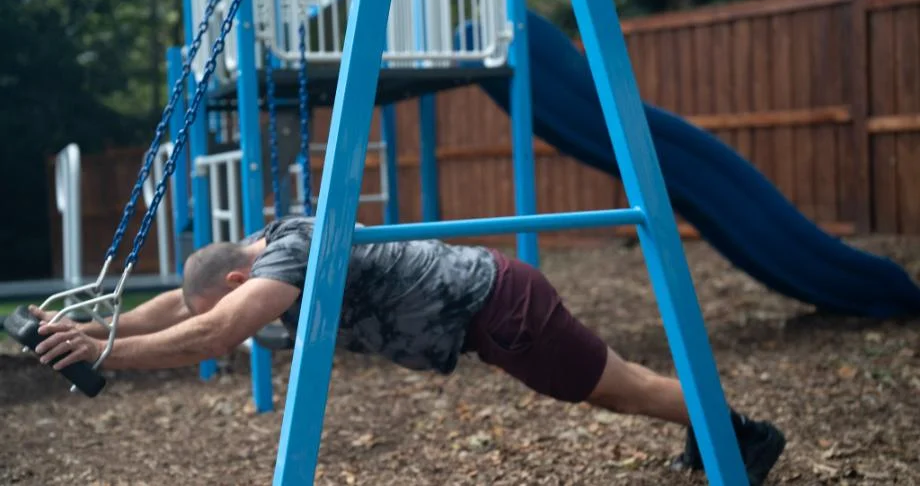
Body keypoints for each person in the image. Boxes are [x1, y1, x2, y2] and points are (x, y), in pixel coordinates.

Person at [30, 216, 785, 485]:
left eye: (230, 297)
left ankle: (740, 434)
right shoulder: (257, 249)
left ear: (238, 279)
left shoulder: (285, 260)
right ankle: (714, 430)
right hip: (492, 302)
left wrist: (106, 360)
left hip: (501, 308)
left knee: (612, 389)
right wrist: (95, 331)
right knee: (616, 383)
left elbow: (213, 331)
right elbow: (184, 305)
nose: (236, 309)